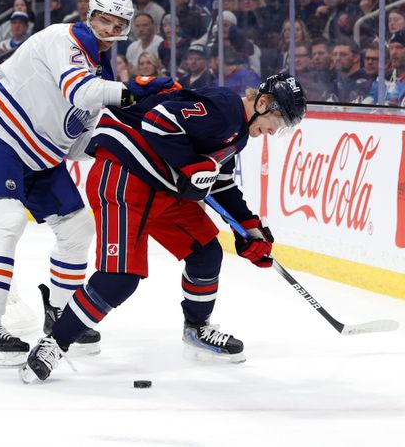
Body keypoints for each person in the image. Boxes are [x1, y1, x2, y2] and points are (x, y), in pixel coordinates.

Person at [21, 73, 307, 383]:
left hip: (161, 189)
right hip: (123, 179)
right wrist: (190, 166)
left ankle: (197, 329)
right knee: (119, 280)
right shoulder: (226, 108)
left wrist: (248, 227)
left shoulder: (237, 134)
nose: (274, 129)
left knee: (206, 252)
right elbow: (159, 122)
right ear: (263, 102)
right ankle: (54, 343)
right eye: (278, 119)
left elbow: (219, 183)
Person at [0, 0, 136, 367]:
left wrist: (128, 146)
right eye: (103, 19)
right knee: (6, 219)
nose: (108, 28)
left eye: (117, 23)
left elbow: (77, 143)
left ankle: (60, 312)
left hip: (42, 156)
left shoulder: (100, 69)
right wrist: (130, 93)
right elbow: (81, 92)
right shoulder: (65, 38)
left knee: (77, 228)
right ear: (91, 15)